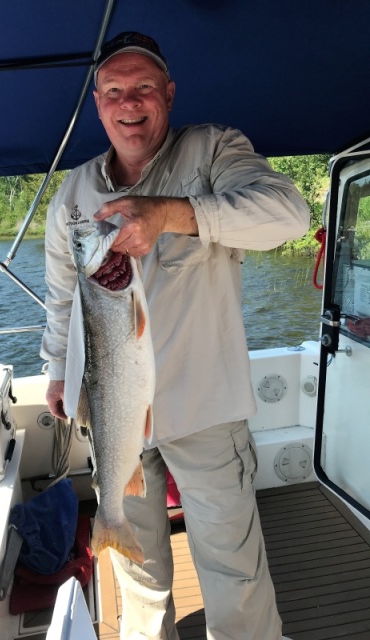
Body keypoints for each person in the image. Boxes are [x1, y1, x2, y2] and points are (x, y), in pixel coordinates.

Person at [41, 31, 308, 640]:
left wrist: (173, 214)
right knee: (138, 572)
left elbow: (289, 215)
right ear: (97, 102)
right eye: (113, 90)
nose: (128, 102)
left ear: (168, 93)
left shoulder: (214, 151)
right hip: (112, 412)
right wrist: (56, 367)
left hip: (205, 406)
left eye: (142, 88)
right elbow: (61, 295)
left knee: (234, 571)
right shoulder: (74, 193)